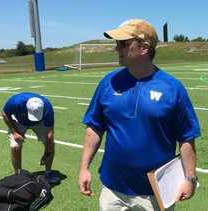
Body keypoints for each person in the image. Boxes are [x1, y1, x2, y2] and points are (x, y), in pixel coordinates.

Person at [78, 19, 201, 211]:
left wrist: (190, 178)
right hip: (113, 190)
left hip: (154, 193)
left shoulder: (172, 89)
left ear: (144, 48)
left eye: (123, 43)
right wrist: (84, 168)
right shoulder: (108, 83)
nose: (116, 48)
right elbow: (94, 128)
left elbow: (186, 138)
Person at [2, 92, 60, 185]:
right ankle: (18, 176)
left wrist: (47, 154)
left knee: (50, 144)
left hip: (40, 123)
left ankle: (48, 173)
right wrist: (15, 132)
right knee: (15, 146)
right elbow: (5, 114)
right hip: (19, 121)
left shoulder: (47, 107)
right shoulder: (15, 102)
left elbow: (49, 132)